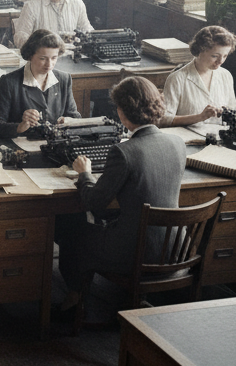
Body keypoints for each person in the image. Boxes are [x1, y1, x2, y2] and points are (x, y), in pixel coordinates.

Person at [58, 76, 187, 311]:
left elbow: (95, 203)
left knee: (72, 231)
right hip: (175, 248)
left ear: (121, 112)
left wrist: (84, 174)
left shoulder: (123, 151)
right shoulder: (178, 142)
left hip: (135, 252)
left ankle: (75, 297)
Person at [0, 29, 79, 138]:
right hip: (20, 146)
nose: (49, 64)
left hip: (56, 144)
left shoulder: (64, 79)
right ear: (30, 55)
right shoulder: (9, 82)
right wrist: (19, 127)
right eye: (43, 58)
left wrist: (68, 121)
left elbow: (76, 118)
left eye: (54, 58)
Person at [158, 25, 236, 126]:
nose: (220, 61)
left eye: (225, 56)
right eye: (215, 56)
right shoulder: (177, 78)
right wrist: (200, 117)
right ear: (199, 50)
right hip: (188, 138)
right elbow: (163, 120)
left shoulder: (226, 75)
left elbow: (235, 110)